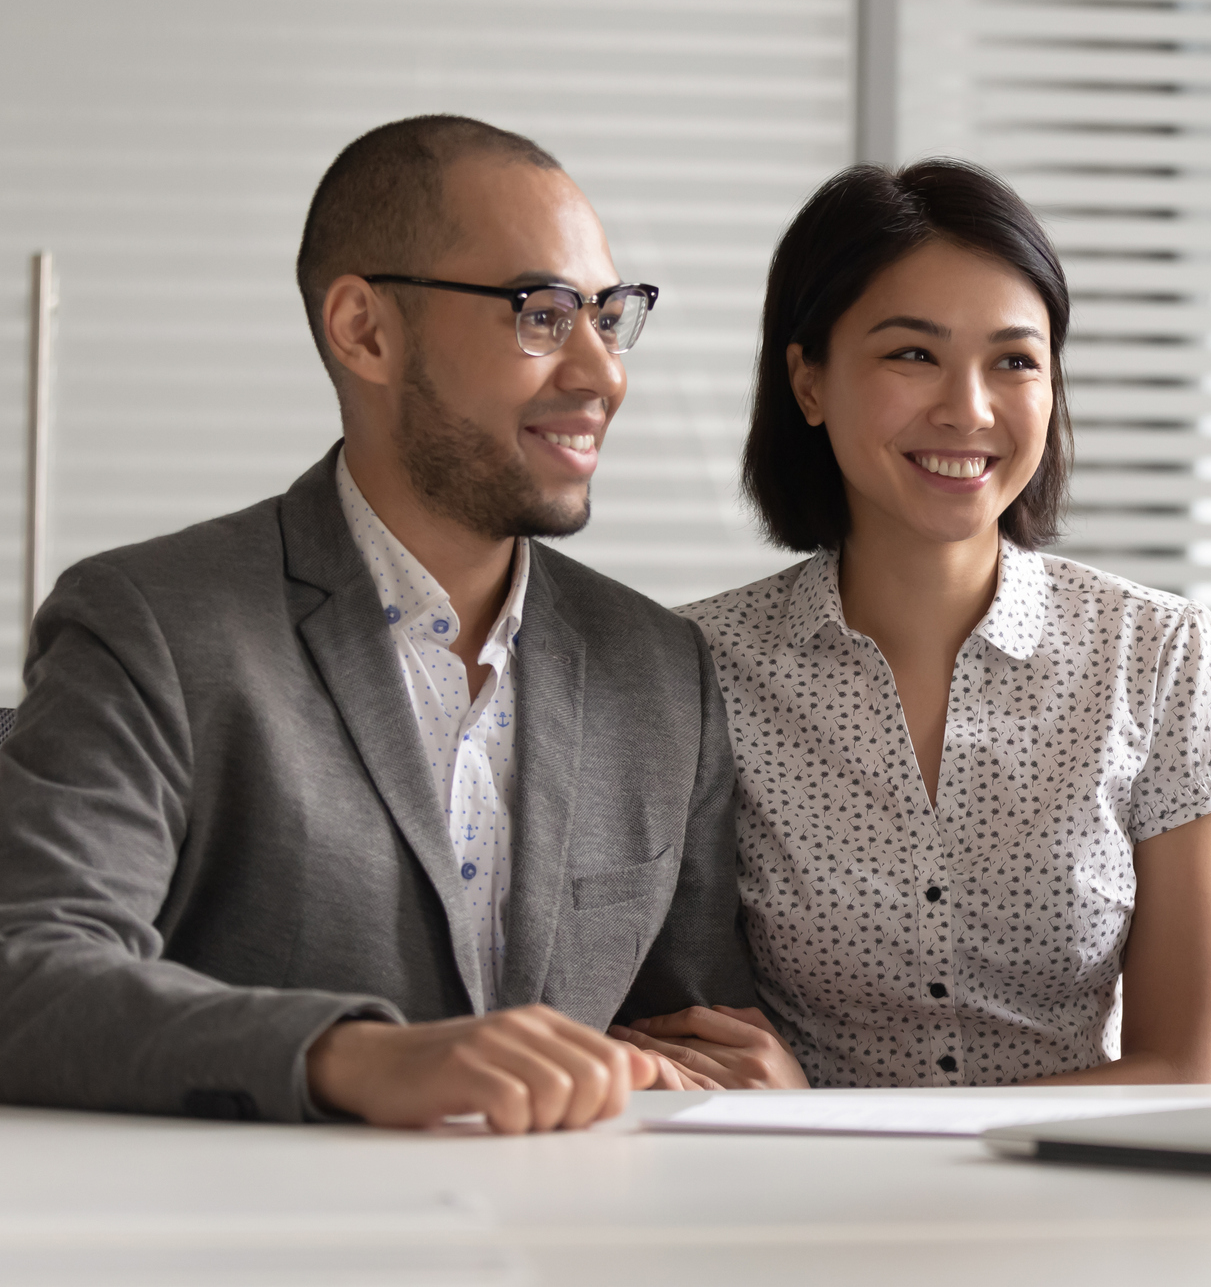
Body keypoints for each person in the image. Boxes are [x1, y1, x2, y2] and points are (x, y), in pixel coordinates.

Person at [0, 114, 783, 1131]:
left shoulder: (659, 668)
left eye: (610, 314)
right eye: (542, 313)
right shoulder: (150, 624)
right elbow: (27, 972)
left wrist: (742, 1082)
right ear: (364, 329)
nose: (602, 374)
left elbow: (689, 1036)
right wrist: (356, 1058)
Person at [613, 160, 1211, 1088]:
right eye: (912, 354)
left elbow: (1189, 1073)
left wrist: (843, 1130)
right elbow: (676, 1032)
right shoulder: (693, 670)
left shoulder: (1156, 652)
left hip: (1075, 1201)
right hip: (796, 1209)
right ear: (808, 381)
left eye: (1014, 361)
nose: (968, 409)